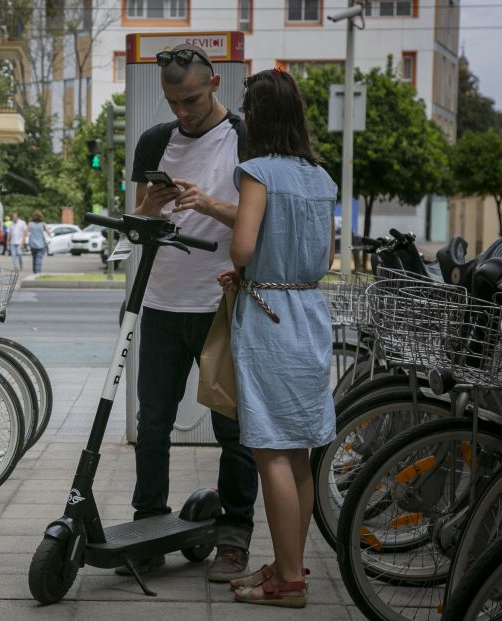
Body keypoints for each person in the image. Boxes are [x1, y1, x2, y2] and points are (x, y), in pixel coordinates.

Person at [125, 43, 258, 582]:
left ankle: (234, 538)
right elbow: (136, 224)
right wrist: (147, 210)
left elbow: (257, 218)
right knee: (152, 424)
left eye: (192, 100)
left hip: (220, 304)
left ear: (215, 84)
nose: (183, 112)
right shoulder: (155, 141)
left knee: (234, 430)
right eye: (173, 102)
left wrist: (206, 203)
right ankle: (148, 527)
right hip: (160, 301)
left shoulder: (245, 139)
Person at [217, 68, 337, 608]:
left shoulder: (256, 171)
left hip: (268, 316)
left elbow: (242, 247)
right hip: (309, 309)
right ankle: (289, 565)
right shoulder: (321, 177)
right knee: (300, 451)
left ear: (256, 117)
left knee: (270, 450)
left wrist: (247, 268)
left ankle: (289, 581)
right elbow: (327, 257)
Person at [24, 210, 51, 274]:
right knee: (39, 258)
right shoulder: (43, 224)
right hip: (41, 244)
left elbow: (25, 233)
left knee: (34, 258)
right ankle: (38, 271)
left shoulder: (30, 224)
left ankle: (35, 271)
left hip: (32, 244)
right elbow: (49, 232)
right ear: (41, 216)